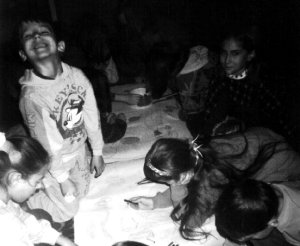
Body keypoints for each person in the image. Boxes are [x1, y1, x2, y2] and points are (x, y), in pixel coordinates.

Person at [18, 18, 105, 224]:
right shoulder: (32, 97)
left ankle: (59, 184)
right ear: (23, 54)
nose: (37, 36)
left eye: (43, 32)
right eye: (29, 36)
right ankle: (34, 194)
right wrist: (62, 179)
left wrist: (97, 152)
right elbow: (48, 145)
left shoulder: (77, 76)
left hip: (77, 149)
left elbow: (92, 115)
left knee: (82, 191)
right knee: (68, 210)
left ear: (60, 45)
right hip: (53, 159)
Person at [172, 126, 300, 242]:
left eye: (250, 236)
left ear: (273, 222)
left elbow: (194, 217)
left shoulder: (295, 223)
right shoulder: (255, 187)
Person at [201, 26, 293, 141]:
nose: (227, 60)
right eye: (224, 53)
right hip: (232, 136)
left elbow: (281, 122)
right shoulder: (219, 78)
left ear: (250, 55)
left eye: (235, 54)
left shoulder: (262, 84)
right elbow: (211, 113)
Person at [0, 132, 77, 246]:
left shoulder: (5, 198)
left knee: (41, 215)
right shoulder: (7, 225)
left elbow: (24, 219)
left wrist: (61, 240)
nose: (40, 186)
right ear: (16, 179)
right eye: (37, 181)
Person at [215, 179, 300, 246]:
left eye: (251, 236)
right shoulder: (259, 190)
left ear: (273, 222)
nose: (252, 238)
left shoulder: (294, 225)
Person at [128, 138, 202, 209]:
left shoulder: (207, 185)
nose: (170, 185)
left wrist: (178, 188)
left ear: (184, 176)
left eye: (167, 182)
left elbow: (184, 218)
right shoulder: (185, 159)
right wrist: (154, 202)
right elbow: (184, 187)